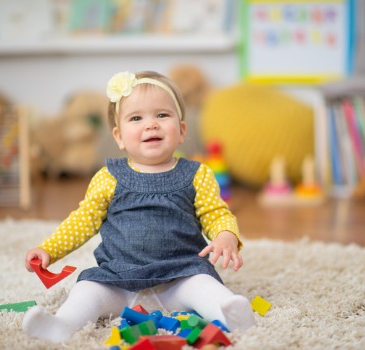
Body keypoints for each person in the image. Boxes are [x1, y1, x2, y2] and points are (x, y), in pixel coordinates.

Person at [22, 71, 255, 343]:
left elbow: (216, 213)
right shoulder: (108, 177)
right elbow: (81, 221)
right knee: (86, 289)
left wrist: (226, 235)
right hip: (117, 280)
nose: (151, 125)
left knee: (205, 286)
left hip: (179, 277)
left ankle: (232, 315)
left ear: (181, 130)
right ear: (119, 137)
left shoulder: (197, 174)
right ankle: (62, 325)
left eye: (162, 115)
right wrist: (49, 249)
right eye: (136, 118)